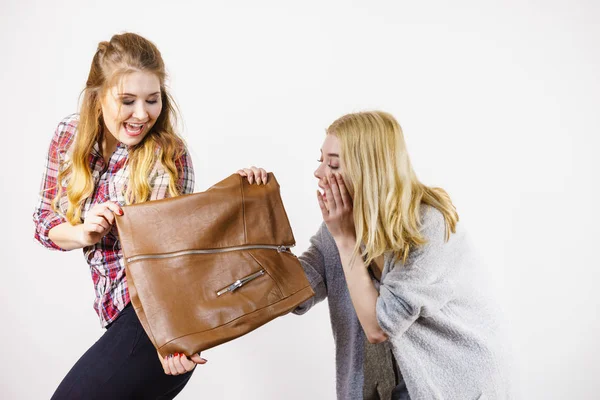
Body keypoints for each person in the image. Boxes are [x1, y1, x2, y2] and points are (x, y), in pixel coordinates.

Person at [238, 111, 512, 399]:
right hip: (388, 385)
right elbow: (293, 289)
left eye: (333, 164)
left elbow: (380, 327)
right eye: (321, 161)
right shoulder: (341, 224)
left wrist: (345, 241)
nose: (319, 174)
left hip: (452, 382)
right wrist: (254, 211)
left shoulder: (428, 224)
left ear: (368, 169)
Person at [33, 32, 206, 399]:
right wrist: (82, 232)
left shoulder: (167, 155)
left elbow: (168, 262)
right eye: (127, 100)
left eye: (152, 100)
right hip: (119, 320)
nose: (142, 114)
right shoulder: (69, 136)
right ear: (97, 96)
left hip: (154, 325)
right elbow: (44, 221)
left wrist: (170, 337)